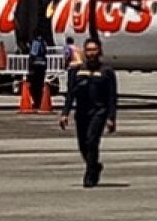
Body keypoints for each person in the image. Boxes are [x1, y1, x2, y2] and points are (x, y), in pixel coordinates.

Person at [59, 39, 118, 188]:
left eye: (94, 50)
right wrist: (65, 113)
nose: (92, 53)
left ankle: (90, 174)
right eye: (89, 50)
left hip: (99, 111)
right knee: (83, 144)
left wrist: (111, 118)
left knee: (92, 141)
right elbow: (70, 93)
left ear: (100, 52)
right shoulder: (77, 70)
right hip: (82, 112)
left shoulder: (107, 71)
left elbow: (112, 96)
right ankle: (94, 165)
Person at [27, 32, 49, 107]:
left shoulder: (36, 42)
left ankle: (37, 102)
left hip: (36, 65)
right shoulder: (44, 42)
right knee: (40, 84)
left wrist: (30, 65)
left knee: (34, 85)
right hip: (43, 65)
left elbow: (34, 53)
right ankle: (39, 101)